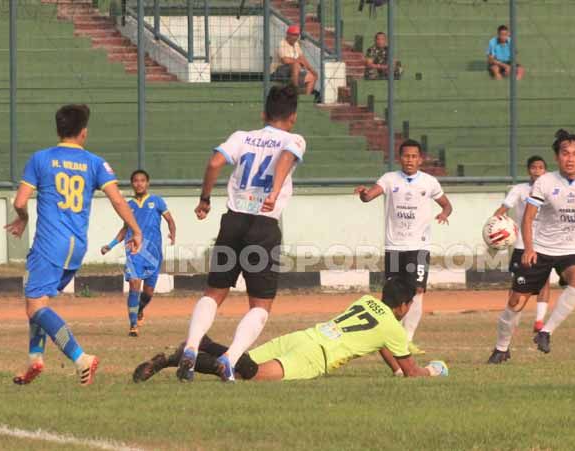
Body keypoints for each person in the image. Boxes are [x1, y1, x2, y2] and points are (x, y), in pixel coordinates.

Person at [175, 85, 307, 383]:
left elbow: (214, 163)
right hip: (263, 226)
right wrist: (273, 191)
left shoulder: (241, 137)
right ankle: (230, 359)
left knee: (213, 292)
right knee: (260, 306)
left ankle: (192, 347)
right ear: (293, 117)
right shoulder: (294, 139)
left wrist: (205, 199)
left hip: (232, 222)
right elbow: (286, 157)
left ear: (263, 113)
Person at [5, 104, 142, 385]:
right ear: (83, 133)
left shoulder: (40, 159)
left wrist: (22, 218)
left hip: (48, 245)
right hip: (76, 246)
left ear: (58, 130)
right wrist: (136, 231)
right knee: (38, 301)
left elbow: (20, 202)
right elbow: (118, 200)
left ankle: (82, 359)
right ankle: (35, 360)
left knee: (34, 306)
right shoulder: (95, 162)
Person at [132, 277, 448, 382]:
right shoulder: (392, 328)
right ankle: (201, 345)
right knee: (249, 375)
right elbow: (412, 372)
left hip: (305, 335)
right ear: (404, 306)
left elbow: (380, 345)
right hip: (314, 356)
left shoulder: (367, 301)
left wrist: (393, 368)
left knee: (235, 365)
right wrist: (434, 370)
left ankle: (179, 354)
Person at [488, 129, 575, 364]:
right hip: (541, 248)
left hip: (574, 249)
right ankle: (501, 349)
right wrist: (530, 248)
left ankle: (545, 332)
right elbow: (528, 217)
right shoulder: (545, 182)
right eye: (565, 154)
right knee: (515, 302)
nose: (570, 158)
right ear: (557, 157)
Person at [353, 139, 453, 357]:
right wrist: (363, 193)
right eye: (406, 156)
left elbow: (447, 204)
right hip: (394, 247)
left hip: (419, 246)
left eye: (414, 156)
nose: (410, 160)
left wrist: (444, 214)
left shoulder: (429, 182)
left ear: (420, 159)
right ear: (400, 158)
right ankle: (389, 337)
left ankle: (407, 340)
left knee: (417, 291)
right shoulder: (389, 179)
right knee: (392, 295)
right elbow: (369, 196)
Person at [101, 169, 176, 337]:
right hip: (134, 251)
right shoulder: (128, 206)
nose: (139, 183)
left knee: (148, 293)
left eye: (142, 180)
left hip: (153, 253)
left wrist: (173, 234)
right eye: (136, 180)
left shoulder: (157, 201)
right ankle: (133, 325)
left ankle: (140, 309)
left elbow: (170, 220)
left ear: (147, 183)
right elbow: (125, 229)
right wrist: (110, 245)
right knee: (134, 283)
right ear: (132, 183)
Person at [492, 155, 550, 332]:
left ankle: (539, 321)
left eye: (541, 167)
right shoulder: (519, 189)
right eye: (534, 167)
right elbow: (503, 209)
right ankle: (512, 319)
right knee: (517, 285)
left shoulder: (551, 190)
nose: (537, 171)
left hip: (544, 245)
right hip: (521, 245)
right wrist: (494, 225)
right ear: (528, 170)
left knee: (544, 282)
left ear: (545, 170)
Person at [271, 25, 321, 102]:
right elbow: (285, 60)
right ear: (288, 34)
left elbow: (302, 58)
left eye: (297, 35)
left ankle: (306, 100)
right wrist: (297, 61)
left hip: (293, 70)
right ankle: (295, 91)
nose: (295, 37)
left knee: (312, 76)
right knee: (296, 64)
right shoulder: (282, 44)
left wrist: (311, 69)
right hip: (279, 71)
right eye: (293, 35)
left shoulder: (296, 44)